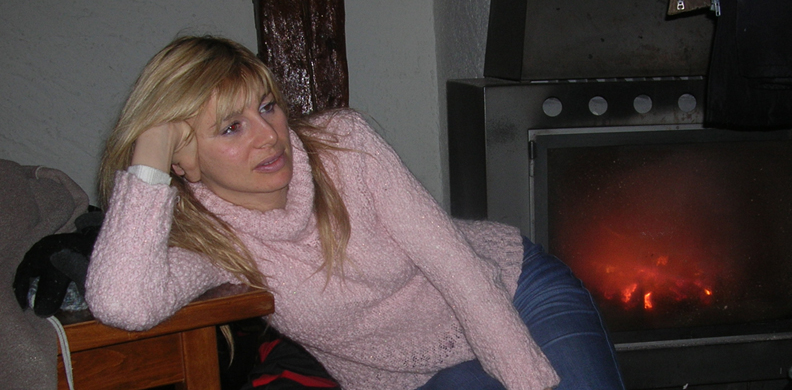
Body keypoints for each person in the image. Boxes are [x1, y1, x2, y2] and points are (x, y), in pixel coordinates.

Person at [86, 35, 624, 390]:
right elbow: (123, 304)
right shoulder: (215, 244)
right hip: (412, 376)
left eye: (267, 106)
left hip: (511, 291)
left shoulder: (345, 144)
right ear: (184, 161)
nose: (269, 135)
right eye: (231, 127)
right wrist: (150, 150)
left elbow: (454, 264)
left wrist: (526, 378)